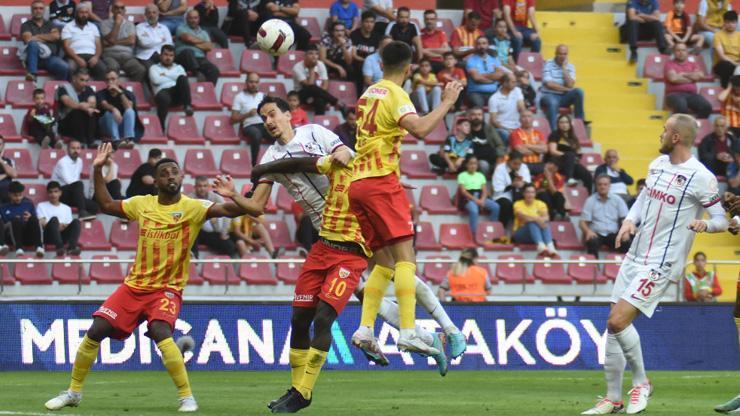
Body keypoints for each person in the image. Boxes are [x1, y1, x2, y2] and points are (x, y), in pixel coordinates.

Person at [239, 97, 459, 410]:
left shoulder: (313, 133)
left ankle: (445, 327)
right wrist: (234, 196)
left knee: (395, 270)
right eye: (264, 118)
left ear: (289, 114)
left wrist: (265, 168)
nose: (269, 121)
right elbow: (256, 206)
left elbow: (341, 154)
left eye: (273, 114)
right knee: (367, 293)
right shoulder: (270, 155)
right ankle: (427, 337)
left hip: (356, 215)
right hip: (327, 232)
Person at [44, 142, 263, 413]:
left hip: (167, 289)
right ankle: (73, 392)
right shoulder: (141, 204)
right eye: (165, 172)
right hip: (134, 286)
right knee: (96, 330)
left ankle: (186, 397)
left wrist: (232, 195)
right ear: (156, 181)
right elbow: (105, 203)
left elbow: (240, 210)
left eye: (175, 171)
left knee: (161, 332)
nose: (171, 175)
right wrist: (97, 170)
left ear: (181, 177)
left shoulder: (194, 207)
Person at [581, 114, 728, 415]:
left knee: (617, 322)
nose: (660, 134)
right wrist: (628, 221)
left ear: (675, 137)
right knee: (613, 326)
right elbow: (643, 200)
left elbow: (722, 219)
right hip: (636, 255)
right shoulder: (656, 165)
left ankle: (641, 383)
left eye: (665, 130)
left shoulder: (701, 176)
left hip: (662, 262)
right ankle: (612, 398)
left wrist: (705, 225)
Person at [348, 41, 463, 356]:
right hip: (381, 182)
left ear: (380, 62)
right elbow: (422, 129)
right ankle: (409, 331)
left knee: (382, 265)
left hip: (357, 184)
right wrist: (447, 102)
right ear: (410, 68)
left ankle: (365, 328)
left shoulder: (368, 93)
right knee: (406, 260)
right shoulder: (398, 96)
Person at [579, 174, 631, 259]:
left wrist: (625, 232)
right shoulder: (590, 201)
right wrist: (588, 231)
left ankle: (624, 268)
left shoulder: (617, 200)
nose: (602, 187)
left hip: (613, 234)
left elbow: (625, 219)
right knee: (592, 241)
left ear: (609, 186)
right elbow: (582, 222)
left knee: (626, 241)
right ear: (596, 186)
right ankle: (594, 268)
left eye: (605, 184)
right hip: (596, 234)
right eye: (600, 184)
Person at [21, 0, 69, 82]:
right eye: (35, 8)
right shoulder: (26, 25)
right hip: (34, 58)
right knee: (33, 44)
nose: (38, 10)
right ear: (31, 10)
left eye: (41, 8)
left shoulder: (50, 24)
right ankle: (32, 75)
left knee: (65, 67)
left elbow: (56, 36)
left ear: (44, 10)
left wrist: (37, 36)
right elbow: (28, 39)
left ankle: (57, 88)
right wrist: (48, 37)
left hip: (50, 58)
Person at [540, 44, 586, 130]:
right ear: (555, 53)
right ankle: (553, 131)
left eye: (565, 54)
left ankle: (580, 124)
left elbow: (570, 85)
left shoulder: (570, 66)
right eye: (560, 54)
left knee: (579, 91)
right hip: (549, 95)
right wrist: (567, 89)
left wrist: (564, 69)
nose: (562, 56)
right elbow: (549, 84)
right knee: (553, 102)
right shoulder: (548, 64)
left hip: (564, 97)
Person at [190, 176, 237, 258]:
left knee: (230, 247)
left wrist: (224, 231)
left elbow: (227, 214)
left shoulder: (216, 197)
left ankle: (225, 267)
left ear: (208, 187)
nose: (202, 189)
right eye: (200, 186)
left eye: (205, 186)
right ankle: (194, 261)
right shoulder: (189, 199)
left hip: (212, 231)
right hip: (196, 231)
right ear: (195, 187)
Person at [100, 1, 147, 82]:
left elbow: (131, 41)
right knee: (112, 69)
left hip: (127, 57)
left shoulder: (130, 24)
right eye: (116, 8)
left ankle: (130, 92)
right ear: (112, 10)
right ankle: (113, 91)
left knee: (140, 69)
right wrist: (117, 24)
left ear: (125, 11)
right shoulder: (104, 23)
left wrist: (113, 42)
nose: (119, 10)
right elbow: (111, 39)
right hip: (110, 56)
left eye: (122, 8)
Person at [51, 139, 99, 219]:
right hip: (61, 193)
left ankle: (85, 227)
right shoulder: (62, 162)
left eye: (78, 148)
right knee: (78, 184)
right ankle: (82, 212)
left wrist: (80, 196)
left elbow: (75, 180)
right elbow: (69, 181)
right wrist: (80, 196)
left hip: (74, 193)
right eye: (73, 148)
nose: (75, 151)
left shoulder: (79, 161)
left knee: (94, 206)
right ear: (68, 150)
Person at [664, 43, 712, 119]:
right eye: (678, 50)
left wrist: (683, 74)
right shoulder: (669, 64)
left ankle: (695, 126)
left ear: (687, 52)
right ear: (674, 52)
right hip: (673, 95)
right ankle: (681, 128)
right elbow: (673, 79)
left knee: (706, 106)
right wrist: (691, 78)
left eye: (683, 50)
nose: (681, 52)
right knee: (681, 105)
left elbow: (699, 76)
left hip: (691, 95)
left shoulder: (693, 64)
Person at [97, 69, 143, 149]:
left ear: (118, 80)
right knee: (109, 113)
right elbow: (104, 104)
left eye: (113, 79)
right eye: (107, 80)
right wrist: (114, 109)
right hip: (106, 127)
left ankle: (128, 139)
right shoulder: (101, 93)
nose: (110, 82)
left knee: (130, 112)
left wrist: (119, 92)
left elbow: (129, 107)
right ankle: (116, 141)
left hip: (122, 126)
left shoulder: (127, 93)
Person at [292, 45, 343, 115]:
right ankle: (336, 101)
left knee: (320, 101)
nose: (314, 56)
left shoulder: (320, 64)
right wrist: (312, 68)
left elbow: (325, 86)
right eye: (311, 53)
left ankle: (318, 123)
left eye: (316, 54)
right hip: (301, 94)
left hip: (317, 93)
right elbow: (309, 86)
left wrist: (319, 94)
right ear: (305, 56)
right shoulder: (297, 67)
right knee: (312, 88)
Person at [150, 45, 194, 128]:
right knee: (163, 97)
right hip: (162, 92)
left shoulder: (179, 67)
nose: (168, 58)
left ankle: (187, 106)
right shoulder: (154, 68)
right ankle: (161, 127)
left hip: (176, 94)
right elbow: (156, 80)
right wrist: (174, 77)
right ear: (160, 56)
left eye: (171, 55)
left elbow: (183, 78)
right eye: (166, 55)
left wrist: (164, 75)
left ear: (174, 57)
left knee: (182, 79)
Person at [62, 2, 107, 80]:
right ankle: (70, 91)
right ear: (76, 14)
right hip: (74, 56)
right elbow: (66, 46)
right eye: (81, 12)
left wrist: (96, 57)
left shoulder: (93, 27)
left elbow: (98, 45)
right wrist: (77, 58)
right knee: (70, 68)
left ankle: (98, 90)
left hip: (91, 56)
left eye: (86, 13)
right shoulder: (68, 27)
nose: (84, 15)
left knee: (103, 69)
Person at [547, 114, 593, 190]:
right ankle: (569, 179)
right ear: (558, 124)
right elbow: (552, 151)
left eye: (566, 122)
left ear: (570, 124)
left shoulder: (572, 136)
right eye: (561, 122)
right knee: (570, 155)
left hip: (571, 163)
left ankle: (589, 196)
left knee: (587, 175)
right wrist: (567, 155)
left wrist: (575, 157)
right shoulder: (555, 134)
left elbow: (577, 151)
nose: (564, 125)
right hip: (558, 162)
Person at [174, 9, 220, 85]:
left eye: (195, 18)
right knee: (188, 51)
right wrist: (203, 42)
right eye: (191, 18)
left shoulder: (203, 32)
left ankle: (208, 92)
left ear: (199, 19)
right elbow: (188, 38)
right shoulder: (181, 28)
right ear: (186, 19)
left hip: (199, 58)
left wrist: (192, 42)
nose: (193, 20)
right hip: (184, 58)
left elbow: (209, 46)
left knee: (214, 70)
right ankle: (197, 72)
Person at [231, 73, 267, 166]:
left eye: (256, 82)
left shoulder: (263, 96)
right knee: (256, 134)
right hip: (249, 126)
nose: (253, 84)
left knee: (278, 132)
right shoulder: (239, 97)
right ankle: (254, 164)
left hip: (263, 124)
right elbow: (233, 119)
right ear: (246, 82)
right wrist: (248, 114)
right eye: (251, 82)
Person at [57, 68, 99, 148]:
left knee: (93, 112)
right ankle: (80, 142)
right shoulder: (63, 88)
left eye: (86, 80)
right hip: (67, 124)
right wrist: (82, 106)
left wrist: (87, 108)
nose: (84, 83)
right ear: (74, 78)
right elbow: (67, 101)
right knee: (77, 112)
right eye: (82, 80)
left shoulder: (88, 89)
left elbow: (93, 103)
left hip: (84, 124)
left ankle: (91, 142)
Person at [37, 181, 81, 256]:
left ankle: (72, 248)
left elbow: (68, 224)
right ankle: (60, 247)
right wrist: (57, 226)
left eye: (56, 191)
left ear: (60, 193)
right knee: (54, 219)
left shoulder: (67, 208)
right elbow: (42, 224)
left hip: (63, 235)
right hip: (49, 236)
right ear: (47, 193)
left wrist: (62, 226)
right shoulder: (41, 206)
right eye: (50, 192)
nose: (53, 194)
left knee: (76, 221)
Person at [512, 183, 557, 256]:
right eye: (528, 192)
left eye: (532, 192)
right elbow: (522, 217)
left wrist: (537, 220)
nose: (530, 194)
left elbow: (546, 218)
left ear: (535, 194)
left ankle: (549, 245)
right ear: (523, 193)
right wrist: (536, 219)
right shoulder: (518, 204)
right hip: (520, 233)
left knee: (545, 223)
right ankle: (541, 244)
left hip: (535, 235)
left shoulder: (541, 204)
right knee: (532, 223)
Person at [0, 181, 43, 257]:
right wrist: (14, 220)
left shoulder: (28, 204)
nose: (18, 198)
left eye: (20, 195)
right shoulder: (3, 207)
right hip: (12, 237)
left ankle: (39, 247)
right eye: (15, 195)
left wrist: (29, 218)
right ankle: (18, 248)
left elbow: (36, 221)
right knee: (15, 221)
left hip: (28, 235)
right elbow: (3, 226)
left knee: (33, 219)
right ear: (9, 194)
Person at [457, 156, 500, 233]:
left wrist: (482, 200)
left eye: (475, 164)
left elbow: (484, 190)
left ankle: (492, 230)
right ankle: (473, 234)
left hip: (480, 196)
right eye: (471, 164)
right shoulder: (462, 175)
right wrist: (477, 201)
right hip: (468, 198)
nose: (473, 166)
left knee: (496, 207)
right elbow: (463, 191)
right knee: (474, 211)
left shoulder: (481, 175)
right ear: (466, 165)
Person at [492, 151, 530, 227]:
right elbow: (497, 188)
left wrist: (523, 183)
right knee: (507, 205)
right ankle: (502, 228)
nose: (517, 166)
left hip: (519, 194)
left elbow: (528, 182)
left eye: (519, 164)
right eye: (514, 163)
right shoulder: (500, 168)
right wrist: (512, 185)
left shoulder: (524, 167)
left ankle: (521, 228)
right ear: (508, 161)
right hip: (503, 195)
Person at [465, 35, 504, 108]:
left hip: (493, 92)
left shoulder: (494, 59)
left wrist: (483, 75)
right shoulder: (471, 60)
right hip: (476, 93)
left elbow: (500, 75)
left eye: (484, 43)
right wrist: (492, 80)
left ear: (488, 45)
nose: (481, 46)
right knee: (478, 105)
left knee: (503, 104)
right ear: (475, 46)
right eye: (479, 44)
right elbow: (477, 78)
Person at [488, 72, 524, 145]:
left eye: (515, 82)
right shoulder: (494, 99)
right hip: (503, 129)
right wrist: (507, 130)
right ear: (504, 83)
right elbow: (493, 121)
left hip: (517, 127)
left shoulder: (517, 90)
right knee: (507, 135)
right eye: (513, 82)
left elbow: (522, 107)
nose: (515, 84)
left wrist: (521, 108)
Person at [468, 106, 506, 176]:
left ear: (483, 117)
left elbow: (500, 145)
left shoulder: (489, 128)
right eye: (474, 114)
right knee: (483, 164)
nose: (477, 117)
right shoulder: (466, 129)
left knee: (502, 165)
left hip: (493, 159)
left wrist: (499, 157)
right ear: (469, 116)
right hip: (477, 161)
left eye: (479, 115)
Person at [135, 4, 174, 70]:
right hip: (145, 56)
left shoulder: (164, 28)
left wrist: (151, 40)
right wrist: (161, 40)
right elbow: (144, 43)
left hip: (162, 55)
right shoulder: (139, 27)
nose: (151, 15)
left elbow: (169, 44)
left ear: (158, 14)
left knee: (169, 69)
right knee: (152, 70)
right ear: (145, 15)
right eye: (149, 13)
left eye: (154, 12)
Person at [509, 110, 546, 175]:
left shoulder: (539, 133)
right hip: (522, 164)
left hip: (537, 163)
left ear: (533, 119)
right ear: (519, 120)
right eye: (524, 117)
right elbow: (521, 150)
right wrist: (537, 150)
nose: (527, 119)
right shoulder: (515, 133)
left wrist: (528, 145)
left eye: (529, 116)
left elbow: (544, 149)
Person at [351, 12, 382, 81]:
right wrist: (366, 61)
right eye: (367, 22)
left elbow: (377, 54)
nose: (369, 25)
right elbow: (354, 55)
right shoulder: (354, 34)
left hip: (372, 65)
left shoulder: (377, 36)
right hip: (357, 64)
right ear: (362, 22)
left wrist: (369, 63)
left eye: (372, 22)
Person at [712, 10, 740, 88]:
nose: (730, 25)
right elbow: (722, 56)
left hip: (737, 64)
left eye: (733, 22)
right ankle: (725, 88)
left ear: (736, 23)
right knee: (727, 65)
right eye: (728, 22)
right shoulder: (718, 35)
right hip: (721, 64)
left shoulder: (739, 35)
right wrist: (736, 64)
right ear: (724, 22)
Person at [0, 137, 18, 204]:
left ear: (3, 146)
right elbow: (11, 173)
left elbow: (14, 175)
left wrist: (1, 161)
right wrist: (7, 174)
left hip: (6, 195)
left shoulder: (9, 161)